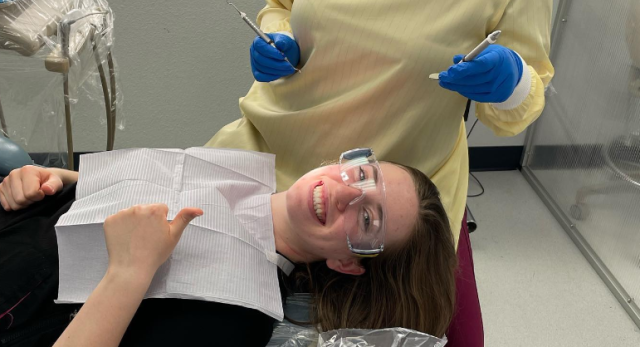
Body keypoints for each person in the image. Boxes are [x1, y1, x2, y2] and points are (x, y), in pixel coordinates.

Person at [206, 0, 555, 250]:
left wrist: (514, 83)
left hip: (380, 205)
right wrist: (280, 36)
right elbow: (282, 1)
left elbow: (523, 101)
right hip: (270, 146)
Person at [0, 149, 457, 346]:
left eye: (367, 217)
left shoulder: (235, 320)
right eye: (362, 174)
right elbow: (128, 190)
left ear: (347, 262)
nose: (346, 193)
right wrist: (56, 183)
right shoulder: (233, 176)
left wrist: (127, 274)